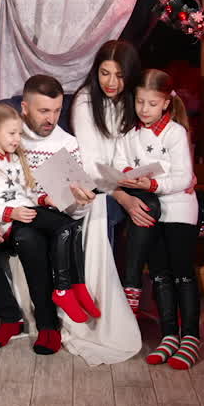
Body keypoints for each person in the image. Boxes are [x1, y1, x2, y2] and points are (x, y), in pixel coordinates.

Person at [0, 102, 88, 354]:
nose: (18, 139)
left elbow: (25, 192)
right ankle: (10, 319)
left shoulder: (17, 159)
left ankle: (64, 296)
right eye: (13, 134)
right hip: (7, 219)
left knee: (66, 228)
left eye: (19, 134)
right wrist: (9, 213)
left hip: (23, 215)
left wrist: (44, 200)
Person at [114, 69, 202, 369]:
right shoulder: (129, 137)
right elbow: (118, 167)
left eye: (152, 103)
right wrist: (129, 179)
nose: (144, 109)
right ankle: (168, 336)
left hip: (179, 209)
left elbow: (183, 177)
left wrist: (152, 184)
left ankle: (190, 336)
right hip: (152, 211)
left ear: (166, 103)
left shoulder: (175, 133)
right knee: (161, 274)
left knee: (182, 272)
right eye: (140, 102)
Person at [71, 40, 157, 317]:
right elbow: (92, 165)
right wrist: (121, 196)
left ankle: (132, 290)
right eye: (104, 73)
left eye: (120, 75)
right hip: (96, 183)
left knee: (152, 206)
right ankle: (107, 297)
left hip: (126, 179)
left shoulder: (135, 101)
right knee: (111, 209)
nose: (111, 82)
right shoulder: (85, 100)